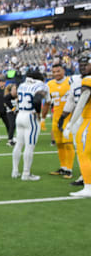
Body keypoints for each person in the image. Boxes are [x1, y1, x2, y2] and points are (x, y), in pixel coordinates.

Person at [11, 70, 50, 180]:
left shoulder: (22, 85)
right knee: (29, 146)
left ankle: (15, 171)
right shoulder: (41, 85)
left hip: (20, 115)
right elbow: (38, 101)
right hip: (30, 116)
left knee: (19, 144)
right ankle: (26, 174)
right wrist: (39, 114)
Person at [63, 52, 91, 195]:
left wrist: (69, 124)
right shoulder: (75, 81)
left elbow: (80, 104)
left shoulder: (87, 80)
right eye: (81, 65)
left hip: (87, 120)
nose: (83, 67)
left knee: (84, 153)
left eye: (86, 65)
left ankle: (88, 186)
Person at [47, 63, 74, 178]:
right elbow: (48, 102)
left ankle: (69, 169)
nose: (56, 74)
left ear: (63, 71)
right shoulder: (49, 84)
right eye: (54, 72)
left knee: (68, 144)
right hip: (56, 118)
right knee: (59, 144)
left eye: (58, 71)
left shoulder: (71, 81)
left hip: (69, 118)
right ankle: (63, 167)